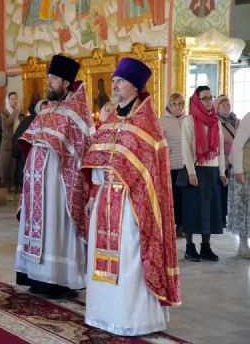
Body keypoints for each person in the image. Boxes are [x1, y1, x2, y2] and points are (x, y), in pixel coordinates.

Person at [82, 57, 181, 336]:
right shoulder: (110, 120)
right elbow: (97, 159)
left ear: (135, 86)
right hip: (105, 200)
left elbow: (151, 173)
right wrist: (93, 195)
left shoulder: (148, 124)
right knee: (101, 258)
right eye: (114, 80)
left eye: (120, 81)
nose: (114, 85)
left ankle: (130, 319)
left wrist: (135, 195)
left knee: (129, 260)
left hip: (131, 206)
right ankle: (102, 313)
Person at [16, 54, 93, 298]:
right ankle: (35, 275)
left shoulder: (77, 113)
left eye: (54, 78)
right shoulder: (48, 109)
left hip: (60, 188)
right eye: (48, 77)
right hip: (37, 185)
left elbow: (82, 152)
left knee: (55, 228)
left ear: (67, 83)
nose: (49, 82)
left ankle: (57, 278)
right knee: (41, 226)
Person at [181, 86, 227, 262]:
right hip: (196, 169)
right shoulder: (189, 120)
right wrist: (191, 171)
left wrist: (222, 171)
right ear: (196, 100)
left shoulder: (216, 121)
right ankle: (189, 247)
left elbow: (220, 149)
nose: (209, 101)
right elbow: (186, 147)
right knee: (192, 209)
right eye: (205, 98)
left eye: (210, 97)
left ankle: (206, 247)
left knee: (210, 210)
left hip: (213, 170)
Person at [159, 92, 186, 235]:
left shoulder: (188, 120)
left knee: (184, 198)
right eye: (174, 104)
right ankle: (172, 225)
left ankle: (182, 225)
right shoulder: (162, 121)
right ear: (169, 105)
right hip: (171, 166)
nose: (177, 107)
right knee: (173, 198)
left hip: (186, 166)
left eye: (180, 104)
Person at [12, 99, 49, 189]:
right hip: (28, 155)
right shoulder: (28, 120)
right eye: (43, 109)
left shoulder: (51, 121)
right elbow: (19, 137)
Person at [228, 112, 250, 258]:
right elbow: (237, 146)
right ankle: (243, 245)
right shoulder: (249, 118)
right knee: (243, 208)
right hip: (244, 171)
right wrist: (238, 170)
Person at [215, 94, 238, 225]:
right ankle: (221, 217)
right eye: (223, 105)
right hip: (223, 161)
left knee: (232, 190)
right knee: (222, 191)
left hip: (235, 161)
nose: (226, 107)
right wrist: (231, 149)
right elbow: (217, 144)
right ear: (217, 108)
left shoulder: (236, 121)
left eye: (228, 104)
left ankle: (230, 215)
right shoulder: (215, 122)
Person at [0, 92, 24, 202]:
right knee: (7, 168)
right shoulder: (3, 112)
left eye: (16, 98)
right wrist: (15, 112)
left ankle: (17, 191)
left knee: (16, 167)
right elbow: (6, 124)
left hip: (18, 142)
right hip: (7, 144)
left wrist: (20, 114)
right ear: (8, 100)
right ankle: (9, 191)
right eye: (12, 99)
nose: (14, 101)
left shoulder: (20, 112)